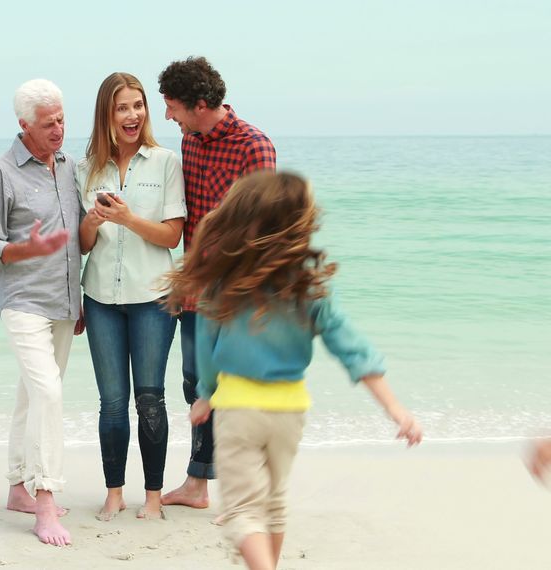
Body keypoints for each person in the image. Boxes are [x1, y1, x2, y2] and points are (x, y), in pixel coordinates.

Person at [162, 170, 423, 570]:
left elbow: (207, 346)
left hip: (239, 411)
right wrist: (396, 410)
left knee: (242, 512)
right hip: (290, 412)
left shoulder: (225, 282)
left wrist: (206, 394)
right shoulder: (308, 287)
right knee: (274, 504)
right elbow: (352, 348)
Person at [156, 56, 277, 512]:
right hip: (194, 291)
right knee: (196, 386)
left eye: (172, 106)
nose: (168, 116)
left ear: (200, 104)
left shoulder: (254, 146)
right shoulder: (189, 140)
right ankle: (198, 483)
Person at [0, 78, 82, 547]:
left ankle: (17, 486)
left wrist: (77, 300)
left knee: (31, 397)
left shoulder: (69, 167)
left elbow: (79, 237)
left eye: (61, 119)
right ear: (24, 125)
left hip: (63, 304)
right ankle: (44, 501)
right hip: (22, 302)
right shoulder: (0, 171)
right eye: (48, 123)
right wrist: (24, 249)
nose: (58, 129)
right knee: (50, 396)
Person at [76, 72, 186, 521]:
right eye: (123, 107)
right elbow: (82, 244)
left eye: (138, 105)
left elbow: (172, 236)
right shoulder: (86, 169)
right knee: (112, 402)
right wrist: (95, 222)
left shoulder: (165, 162)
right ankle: (114, 492)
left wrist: (126, 218)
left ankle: (154, 497)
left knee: (150, 399)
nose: (133, 114)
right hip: (101, 298)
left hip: (153, 300)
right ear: (108, 113)